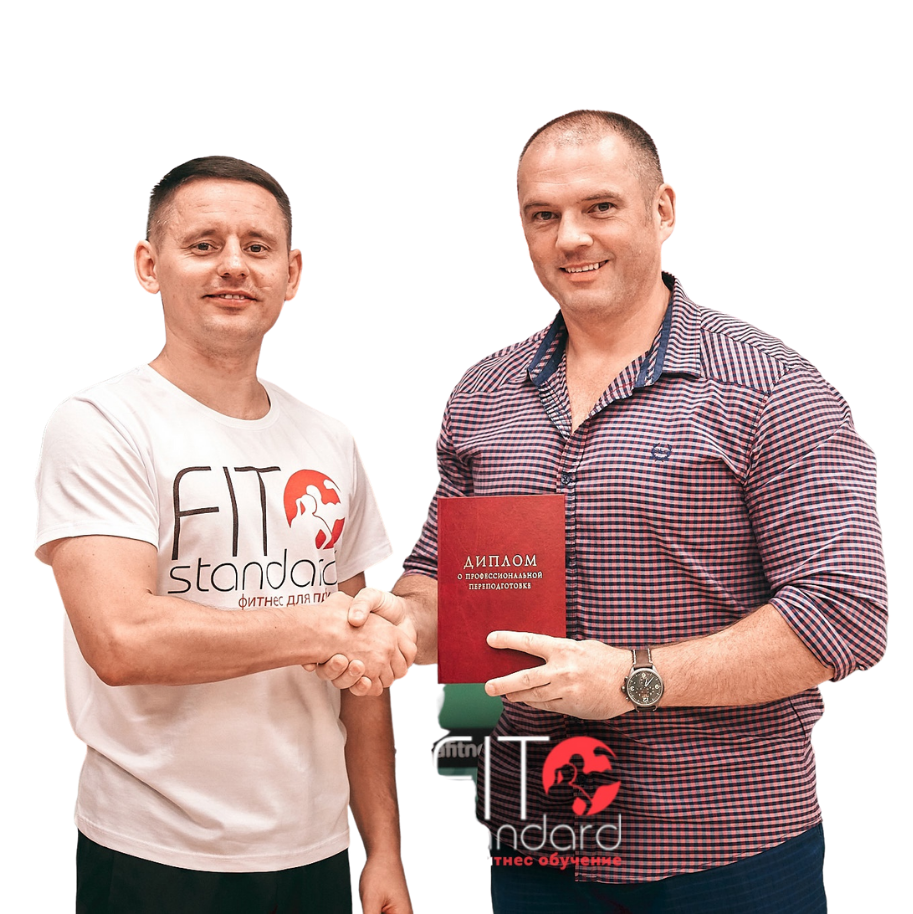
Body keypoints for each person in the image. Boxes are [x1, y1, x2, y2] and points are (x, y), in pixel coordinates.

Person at [328, 111, 889, 912]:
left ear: (662, 210)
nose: (570, 239)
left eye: (599, 207)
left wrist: (634, 681)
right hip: (537, 833)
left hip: (722, 845)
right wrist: (400, 626)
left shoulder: (772, 389)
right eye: (543, 215)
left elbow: (845, 615)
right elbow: (443, 579)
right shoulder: (483, 394)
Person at [33, 157, 415, 914]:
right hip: (151, 851)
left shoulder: (331, 439)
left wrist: (384, 851)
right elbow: (121, 640)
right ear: (149, 266)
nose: (233, 266)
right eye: (203, 245)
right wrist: (321, 627)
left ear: (292, 274)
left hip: (314, 849)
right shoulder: (99, 423)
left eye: (257, 246)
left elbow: (362, 675)